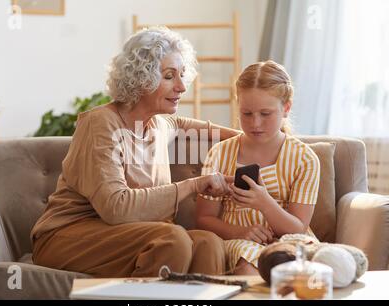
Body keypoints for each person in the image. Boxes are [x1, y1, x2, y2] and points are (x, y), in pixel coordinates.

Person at [30, 26, 240, 277]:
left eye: (182, 74)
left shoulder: (161, 124)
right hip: (68, 235)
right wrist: (194, 185)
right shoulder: (101, 124)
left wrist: (252, 136)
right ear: (142, 78)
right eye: (169, 76)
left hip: (136, 234)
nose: (182, 87)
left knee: (209, 243)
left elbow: (196, 127)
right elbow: (116, 208)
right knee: (173, 239)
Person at [195, 60, 320, 275]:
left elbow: (298, 227)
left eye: (265, 114)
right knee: (250, 267)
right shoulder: (220, 154)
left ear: (286, 108)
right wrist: (241, 232)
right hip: (240, 243)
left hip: (291, 241)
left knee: (315, 268)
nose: (255, 123)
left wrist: (265, 203)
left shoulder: (304, 159)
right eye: (246, 114)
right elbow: (204, 219)